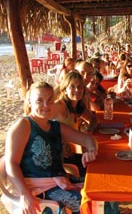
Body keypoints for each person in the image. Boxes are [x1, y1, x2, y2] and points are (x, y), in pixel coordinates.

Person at [5, 82, 97, 214]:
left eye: (50, 100)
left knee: (98, 192)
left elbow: (88, 139)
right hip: (37, 190)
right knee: (88, 204)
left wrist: (92, 150)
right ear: (30, 102)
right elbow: (11, 164)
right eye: (39, 101)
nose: (46, 106)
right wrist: (25, 194)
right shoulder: (23, 126)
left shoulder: (55, 126)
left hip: (59, 183)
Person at [53, 71, 97, 177]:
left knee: (97, 162)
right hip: (58, 160)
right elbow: (40, 120)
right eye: (72, 87)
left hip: (70, 154)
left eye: (80, 87)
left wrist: (88, 131)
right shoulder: (60, 106)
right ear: (65, 89)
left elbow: (93, 119)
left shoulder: (77, 106)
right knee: (92, 171)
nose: (77, 90)